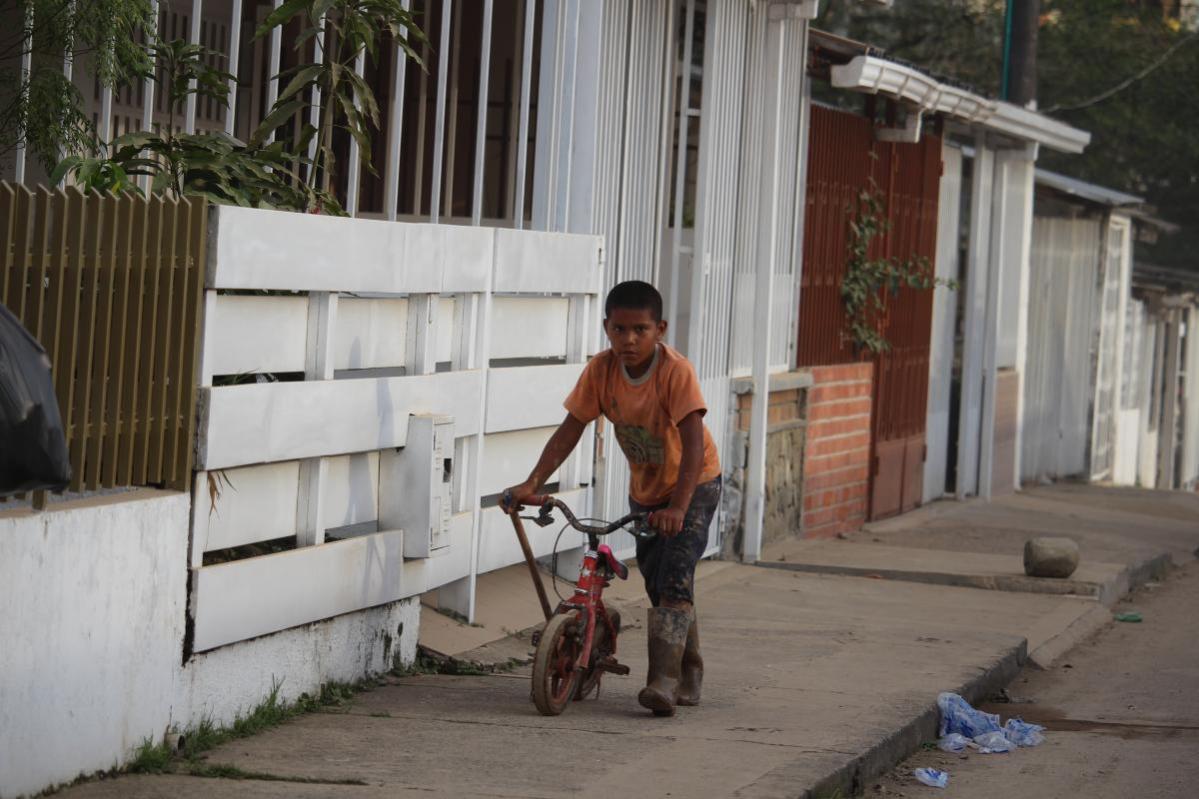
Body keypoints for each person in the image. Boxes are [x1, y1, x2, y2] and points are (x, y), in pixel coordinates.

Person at [502, 280, 722, 717]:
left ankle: (663, 681)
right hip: (646, 490)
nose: (629, 340)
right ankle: (689, 668)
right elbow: (571, 428)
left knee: (675, 576)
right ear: (606, 328)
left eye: (640, 329)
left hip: (693, 486)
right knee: (658, 582)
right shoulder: (601, 371)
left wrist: (678, 508)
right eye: (619, 330)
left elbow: (694, 443)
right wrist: (534, 481)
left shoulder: (675, 372)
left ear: (659, 329)